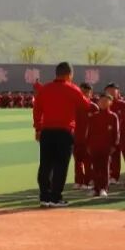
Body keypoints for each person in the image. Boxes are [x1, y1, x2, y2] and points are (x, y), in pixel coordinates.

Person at [32, 62, 93, 207]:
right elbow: (86, 105)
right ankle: (55, 198)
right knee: (61, 165)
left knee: (45, 164)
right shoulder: (72, 89)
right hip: (64, 132)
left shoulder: (45, 89)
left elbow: (36, 109)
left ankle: (44, 197)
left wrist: (38, 129)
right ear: (69, 75)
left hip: (47, 132)